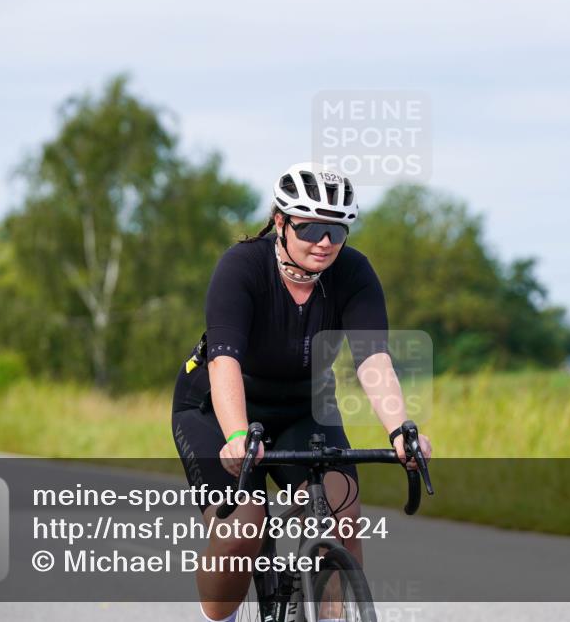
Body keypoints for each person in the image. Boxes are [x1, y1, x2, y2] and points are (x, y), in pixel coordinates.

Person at [171, 162, 433, 622]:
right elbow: (224, 359)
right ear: (280, 222)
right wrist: (237, 437)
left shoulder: (352, 272)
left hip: (303, 408)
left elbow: (372, 359)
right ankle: (219, 616)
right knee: (246, 525)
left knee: (342, 512)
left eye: (336, 229)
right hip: (217, 406)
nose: (324, 241)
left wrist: (400, 430)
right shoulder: (243, 266)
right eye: (310, 227)